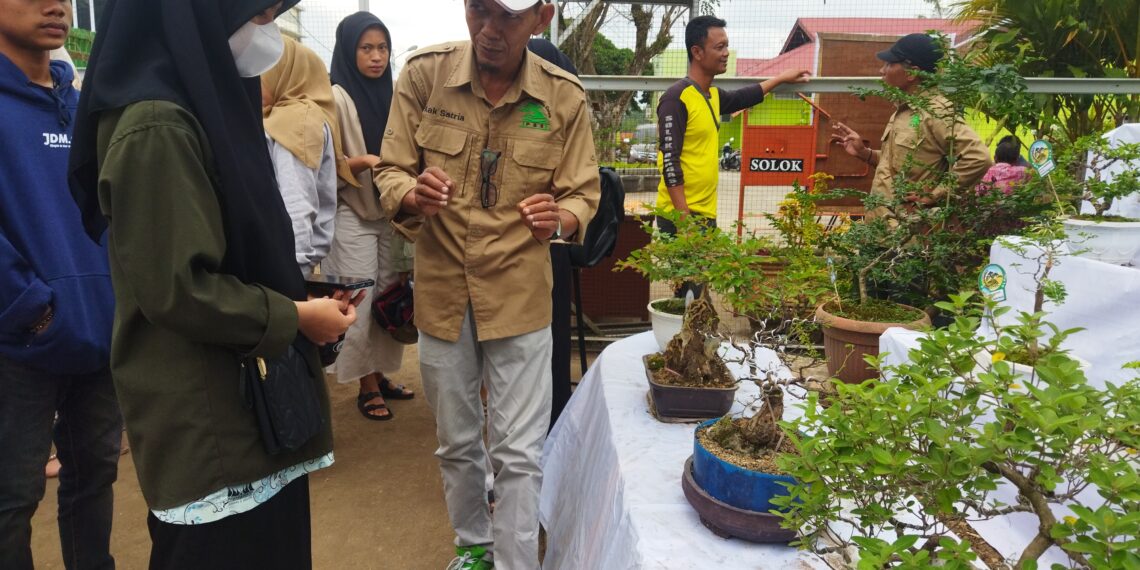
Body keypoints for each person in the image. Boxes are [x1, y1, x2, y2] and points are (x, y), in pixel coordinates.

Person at [68, 1, 357, 568]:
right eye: (260, 13)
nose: (267, 31)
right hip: (211, 433)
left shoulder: (204, 105)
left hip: (252, 413)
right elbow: (180, 289)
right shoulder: (156, 124)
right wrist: (296, 317)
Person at [375, 0, 600, 566]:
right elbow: (389, 168)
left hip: (520, 294)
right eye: (480, 10)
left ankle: (516, 562)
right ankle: (474, 547)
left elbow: (583, 192)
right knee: (456, 443)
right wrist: (409, 194)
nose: (490, 31)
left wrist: (563, 217)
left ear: (541, 19)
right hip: (443, 293)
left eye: (509, 17)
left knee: (519, 453)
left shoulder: (562, 97)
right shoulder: (424, 76)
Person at [0, 1, 121, 568]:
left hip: (99, 330)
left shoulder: (82, 105)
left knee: (94, 478)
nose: (58, 7)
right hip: (19, 343)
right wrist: (31, 307)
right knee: (13, 499)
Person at [655, 15, 808, 297]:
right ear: (697, 52)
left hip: (704, 215)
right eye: (720, 47)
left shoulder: (710, 94)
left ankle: (689, 339)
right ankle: (677, 339)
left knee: (696, 295)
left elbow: (744, 97)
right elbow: (669, 161)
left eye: (727, 46)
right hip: (682, 217)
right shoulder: (676, 98)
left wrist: (780, 79)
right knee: (688, 295)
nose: (726, 53)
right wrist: (685, 222)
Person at [326, 11, 415, 421]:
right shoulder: (335, 96)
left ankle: (380, 374)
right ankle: (364, 385)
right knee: (359, 302)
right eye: (366, 48)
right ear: (349, 50)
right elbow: (324, 163)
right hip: (353, 213)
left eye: (382, 48)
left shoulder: (395, 94)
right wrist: (362, 162)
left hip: (391, 216)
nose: (376, 57)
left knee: (388, 298)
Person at [830, 32, 992, 220]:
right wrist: (864, 153)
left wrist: (936, 194)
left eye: (890, 64)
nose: (882, 71)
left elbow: (979, 157)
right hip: (881, 229)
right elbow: (900, 163)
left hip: (907, 235)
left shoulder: (935, 112)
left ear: (911, 73)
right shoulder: (904, 111)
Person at [261, 36, 340, 276]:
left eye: (261, 74)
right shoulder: (288, 116)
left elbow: (297, 205)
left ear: (283, 73)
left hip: (285, 265)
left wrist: (293, 275)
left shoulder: (294, 121)